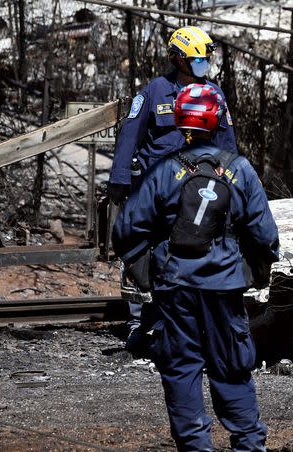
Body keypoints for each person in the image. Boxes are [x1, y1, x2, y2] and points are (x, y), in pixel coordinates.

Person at [113, 83, 279, 451]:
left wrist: (148, 274)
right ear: (218, 119)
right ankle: (249, 445)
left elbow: (126, 230)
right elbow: (265, 236)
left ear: (178, 121)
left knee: (181, 368)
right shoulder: (241, 171)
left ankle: (195, 446)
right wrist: (251, 272)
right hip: (224, 289)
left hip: (175, 288)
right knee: (233, 368)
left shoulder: (164, 171)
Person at [108, 25, 238, 351]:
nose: (202, 65)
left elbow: (228, 147)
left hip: (196, 196)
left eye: (205, 59)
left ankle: (181, 326)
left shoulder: (215, 96)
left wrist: (232, 186)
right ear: (178, 59)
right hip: (153, 192)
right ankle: (140, 323)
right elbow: (129, 138)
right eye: (196, 60)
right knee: (142, 255)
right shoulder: (154, 92)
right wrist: (120, 180)